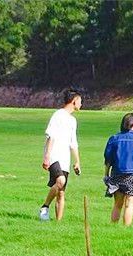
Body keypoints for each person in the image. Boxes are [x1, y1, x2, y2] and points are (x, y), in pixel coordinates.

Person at [39, 89, 82, 221]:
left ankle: (58, 223)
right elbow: (51, 136)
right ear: (74, 101)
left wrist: (77, 161)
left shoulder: (73, 120)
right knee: (61, 181)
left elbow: (73, 143)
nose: (81, 104)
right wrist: (47, 156)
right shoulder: (58, 115)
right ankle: (45, 206)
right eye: (80, 101)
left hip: (65, 159)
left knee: (61, 192)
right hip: (54, 156)